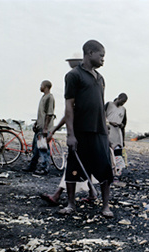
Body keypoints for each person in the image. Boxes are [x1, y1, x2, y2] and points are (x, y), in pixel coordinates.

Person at [61, 39, 114, 217]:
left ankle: (106, 206)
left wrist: (106, 133)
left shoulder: (100, 78)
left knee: (105, 168)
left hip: (99, 131)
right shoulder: (74, 76)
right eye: (101, 56)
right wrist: (70, 134)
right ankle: (71, 204)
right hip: (81, 131)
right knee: (73, 168)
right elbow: (69, 106)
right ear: (90, 53)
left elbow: (100, 107)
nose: (103, 60)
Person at [22, 80, 55, 175]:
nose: (40, 87)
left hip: (44, 129)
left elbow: (49, 114)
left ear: (45, 86)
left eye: (41, 85)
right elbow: (42, 114)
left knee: (43, 149)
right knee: (35, 149)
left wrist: (45, 128)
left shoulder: (50, 97)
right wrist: (36, 123)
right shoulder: (43, 97)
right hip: (39, 128)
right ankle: (32, 166)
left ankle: (45, 168)